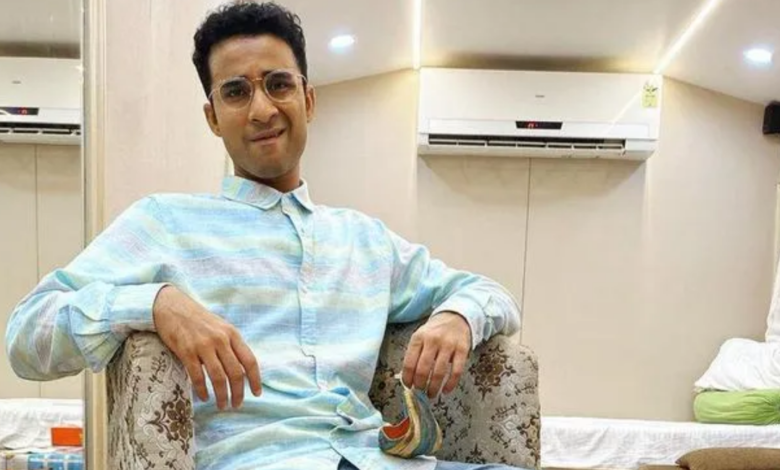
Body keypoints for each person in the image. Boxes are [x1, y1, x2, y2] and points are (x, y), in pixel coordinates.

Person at [5, 2, 525, 469]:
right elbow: (26, 337)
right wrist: (156, 303)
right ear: (213, 118)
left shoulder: (364, 240)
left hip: (374, 456)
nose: (261, 109)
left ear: (308, 99)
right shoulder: (165, 223)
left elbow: (490, 293)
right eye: (236, 92)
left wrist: (458, 316)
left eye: (278, 84)